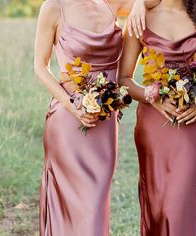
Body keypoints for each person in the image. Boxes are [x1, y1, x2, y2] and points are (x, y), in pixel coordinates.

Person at [34, 0, 160, 235]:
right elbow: (40, 67)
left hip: (105, 124)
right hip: (68, 120)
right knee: (73, 208)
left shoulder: (115, 3)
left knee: (95, 204)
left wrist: (142, 3)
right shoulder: (53, 7)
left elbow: (159, 3)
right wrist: (73, 106)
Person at [118, 0, 196, 235]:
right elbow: (124, 79)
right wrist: (151, 96)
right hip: (153, 128)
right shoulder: (140, 17)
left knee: (179, 204)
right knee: (157, 205)